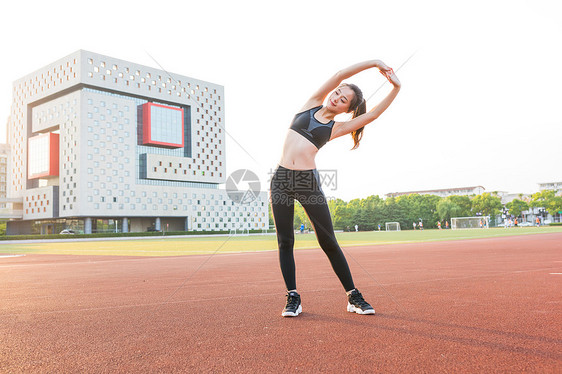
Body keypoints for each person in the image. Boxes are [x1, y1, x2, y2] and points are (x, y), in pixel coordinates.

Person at [270, 59, 401, 317]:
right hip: (281, 180)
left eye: (343, 100)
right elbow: (341, 73)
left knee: (328, 241)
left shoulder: (335, 128)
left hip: (308, 182)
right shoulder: (311, 103)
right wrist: (374, 62)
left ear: (346, 110)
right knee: (285, 241)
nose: (336, 98)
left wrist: (395, 88)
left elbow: (372, 115)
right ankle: (293, 297)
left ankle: (353, 295)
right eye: (338, 93)